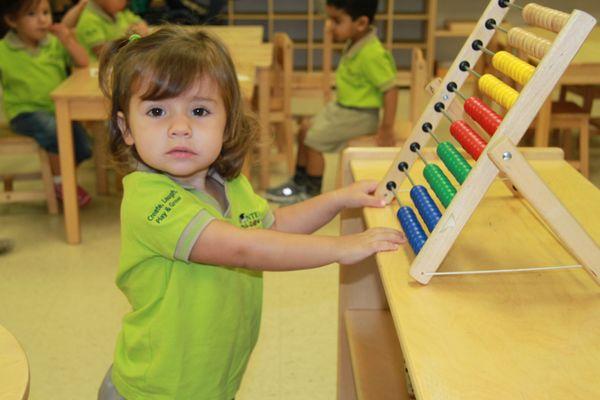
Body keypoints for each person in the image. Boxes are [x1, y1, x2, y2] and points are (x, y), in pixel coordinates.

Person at [96, 26, 405, 400]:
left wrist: (338, 199)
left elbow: (276, 225)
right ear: (126, 128)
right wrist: (341, 248)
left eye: (199, 110)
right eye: (157, 111)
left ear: (227, 122)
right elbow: (243, 248)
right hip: (155, 390)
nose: (180, 128)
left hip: (209, 383)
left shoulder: (226, 183)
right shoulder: (148, 200)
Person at [266, 0, 399, 204]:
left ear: (361, 23)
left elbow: (390, 90)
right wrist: (336, 28)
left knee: (313, 139)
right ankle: (299, 181)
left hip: (360, 115)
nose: (329, 26)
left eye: (336, 21)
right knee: (303, 129)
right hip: (343, 108)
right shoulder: (355, 41)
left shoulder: (372, 53)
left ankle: (311, 191)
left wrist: (387, 128)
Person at [0, 0, 93, 207]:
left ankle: (60, 177)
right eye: (32, 14)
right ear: (12, 20)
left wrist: (68, 40)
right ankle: (62, 184)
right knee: (55, 132)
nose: (43, 20)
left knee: (85, 147)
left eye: (46, 12)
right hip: (25, 114)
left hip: (58, 111)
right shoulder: (3, 51)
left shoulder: (54, 43)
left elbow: (83, 62)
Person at [75, 0, 148, 60]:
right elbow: (103, 53)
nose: (125, 2)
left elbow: (140, 22)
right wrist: (127, 38)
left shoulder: (119, 13)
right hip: (96, 71)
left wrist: (141, 28)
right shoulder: (89, 20)